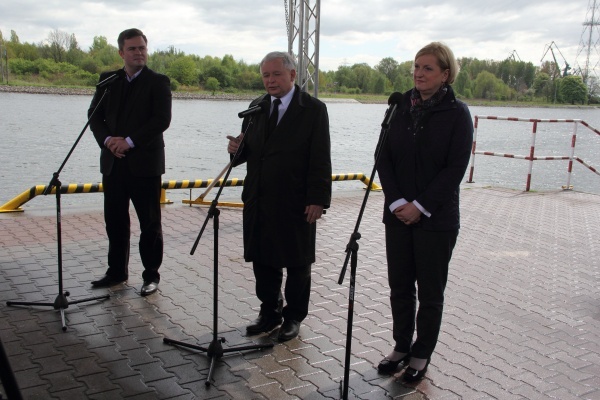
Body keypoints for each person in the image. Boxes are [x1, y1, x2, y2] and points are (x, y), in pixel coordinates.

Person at [375, 42, 473, 382]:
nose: (418, 73)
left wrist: (420, 206)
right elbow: (382, 158)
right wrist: (397, 201)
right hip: (397, 215)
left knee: (430, 293)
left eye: (428, 68)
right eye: (416, 66)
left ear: (445, 74)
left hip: (436, 220)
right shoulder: (399, 108)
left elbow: (455, 168)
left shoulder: (457, 114)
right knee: (400, 286)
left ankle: (421, 354)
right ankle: (401, 346)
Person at [227, 51, 332, 342]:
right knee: (263, 259)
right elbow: (247, 153)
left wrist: (318, 199)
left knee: (298, 262)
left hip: (296, 200)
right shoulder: (256, 106)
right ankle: (269, 311)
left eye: (276, 74)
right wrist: (236, 150)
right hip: (259, 196)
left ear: (292, 75)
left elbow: (320, 157)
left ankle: (293, 316)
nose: (270, 80)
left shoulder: (312, 109)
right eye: (265, 75)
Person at [88, 28, 172, 296]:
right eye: (133, 49)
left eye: (142, 48)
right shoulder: (108, 80)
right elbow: (94, 115)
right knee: (115, 221)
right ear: (121, 52)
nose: (139, 53)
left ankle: (151, 276)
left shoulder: (158, 82)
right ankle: (116, 272)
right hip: (114, 163)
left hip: (145, 165)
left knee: (150, 224)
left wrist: (130, 141)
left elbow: (161, 120)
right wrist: (109, 140)